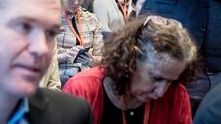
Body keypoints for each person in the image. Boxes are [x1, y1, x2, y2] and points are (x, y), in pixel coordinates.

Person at [64, 15, 196, 124]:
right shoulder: (82, 89)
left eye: (170, 82)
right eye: (156, 78)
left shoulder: (176, 94)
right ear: (131, 61)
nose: (161, 92)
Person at [56, 0, 103, 86]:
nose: (76, 2)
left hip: (87, 77)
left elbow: (102, 57)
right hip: (59, 77)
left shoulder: (91, 19)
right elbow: (39, 59)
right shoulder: (48, 17)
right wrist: (63, 56)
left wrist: (93, 60)